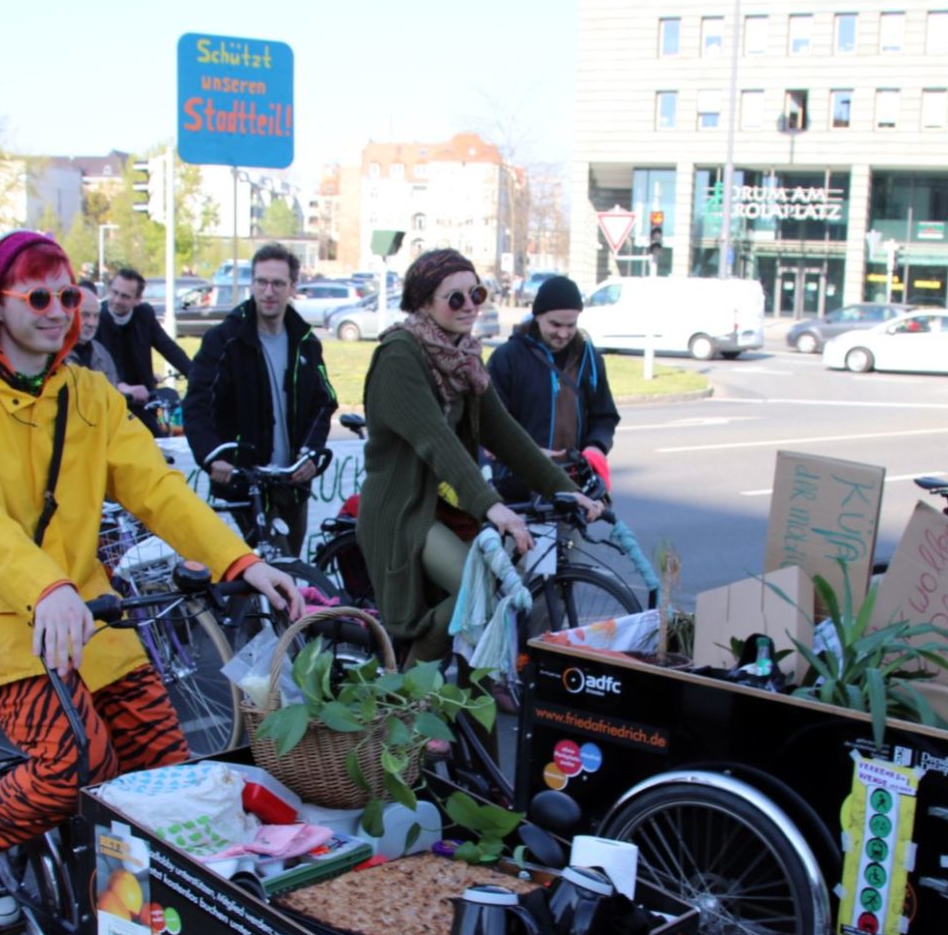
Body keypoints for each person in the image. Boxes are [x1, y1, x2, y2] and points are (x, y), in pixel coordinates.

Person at [0, 230, 304, 926]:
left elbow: (157, 489)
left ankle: (127, 925)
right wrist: (45, 588)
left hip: (86, 613)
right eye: (37, 296)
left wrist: (238, 560)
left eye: (67, 295)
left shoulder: (88, 393)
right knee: (74, 763)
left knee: (163, 766)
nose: (58, 309)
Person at [358, 248, 603, 663]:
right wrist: (492, 507)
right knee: (480, 590)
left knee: (491, 598)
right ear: (423, 302)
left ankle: (459, 709)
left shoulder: (464, 358)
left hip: (444, 508)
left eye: (477, 293)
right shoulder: (400, 356)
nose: (470, 305)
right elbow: (437, 441)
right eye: (455, 298)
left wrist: (567, 489)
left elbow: (505, 432)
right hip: (402, 510)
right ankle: (408, 690)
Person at [186, 244, 337, 556]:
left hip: (292, 483)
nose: (269, 291)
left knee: (288, 569)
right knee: (272, 570)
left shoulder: (305, 343)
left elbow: (325, 402)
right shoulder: (225, 339)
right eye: (261, 282)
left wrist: (310, 455)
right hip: (246, 483)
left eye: (278, 283)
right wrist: (212, 456)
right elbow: (197, 404)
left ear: (293, 287)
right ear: (251, 284)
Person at [486, 274, 620, 502]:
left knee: (571, 539)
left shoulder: (590, 358)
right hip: (519, 490)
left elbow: (605, 416)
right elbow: (489, 425)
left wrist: (596, 447)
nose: (564, 333)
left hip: (573, 488)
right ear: (538, 316)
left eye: (571, 325)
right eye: (555, 324)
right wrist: (528, 456)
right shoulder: (506, 358)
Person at [92, 268, 193, 436]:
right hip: (109, 404)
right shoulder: (97, 319)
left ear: (137, 299)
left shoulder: (144, 315)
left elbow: (168, 348)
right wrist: (123, 387)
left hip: (144, 403)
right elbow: (93, 365)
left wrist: (196, 375)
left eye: (125, 296)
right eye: (114, 292)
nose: (117, 300)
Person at [65, 281, 120, 386]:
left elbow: (113, 394)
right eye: (85, 315)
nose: (92, 323)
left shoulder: (102, 354)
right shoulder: (53, 355)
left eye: (96, 316)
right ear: (69, 314)